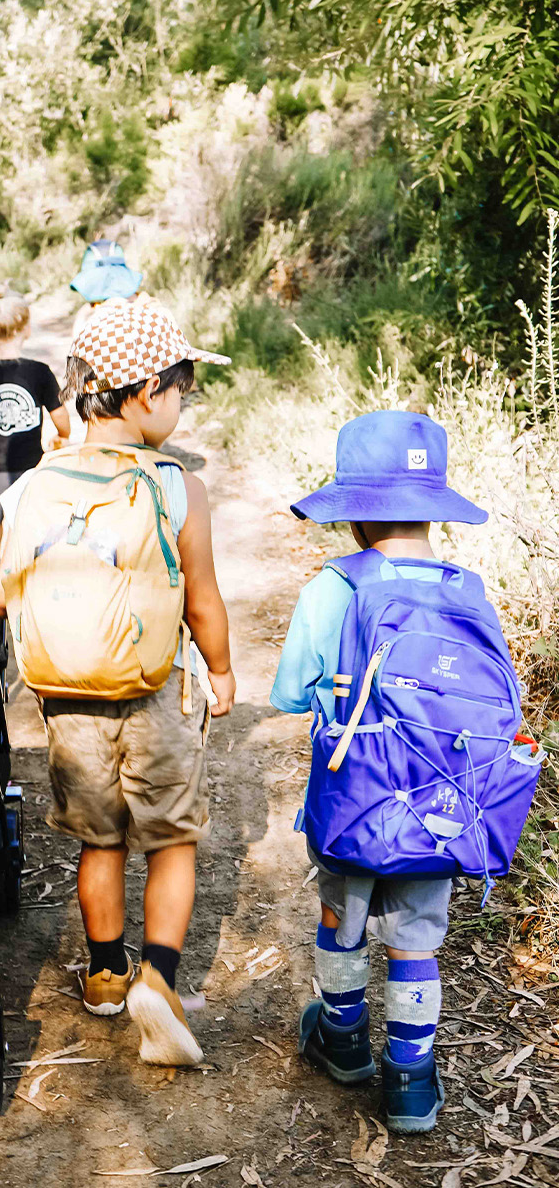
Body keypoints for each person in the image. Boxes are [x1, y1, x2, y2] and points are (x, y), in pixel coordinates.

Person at [0, 297, 235, 1066]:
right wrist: (218, 670)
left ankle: (105, 975)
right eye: (184, 386)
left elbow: (5, 579)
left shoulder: (36, 485)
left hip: (68, 701)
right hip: (153, 693)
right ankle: (161, 975)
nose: (183, 402)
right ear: (149, 391)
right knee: (172, 838)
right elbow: (203, 600)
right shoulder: (177, 485)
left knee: (99, 840)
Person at [270, 410, 492, 1134]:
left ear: (355, 518)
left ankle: (342, 1045)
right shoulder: (469, 592)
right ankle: (411, 1087)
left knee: (341, 916)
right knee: (416, 940)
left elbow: (289, 693)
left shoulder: (331, 589)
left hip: (353, 803)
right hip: (442, 805)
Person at [0, 287, 71, 557]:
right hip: (30, 463)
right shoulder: (39, 372)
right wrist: (63, 435)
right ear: (26, 329)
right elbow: (60, 414)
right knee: (28, 516)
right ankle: (24, 566)